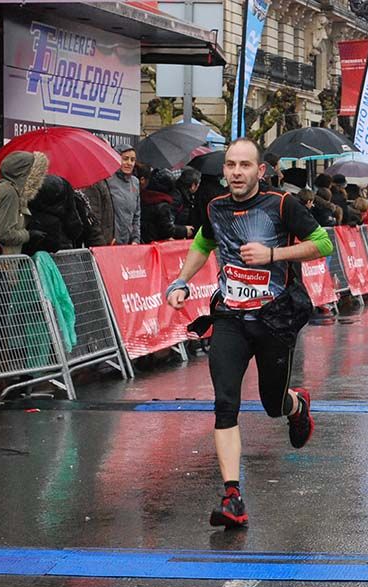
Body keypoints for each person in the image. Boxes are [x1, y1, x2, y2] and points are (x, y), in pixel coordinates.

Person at [165, 137, 333, 529]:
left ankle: (297, 406)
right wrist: (181, 281)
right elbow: (204, 242)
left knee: (272, 403)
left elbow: (323, 243)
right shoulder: (215, 207)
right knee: (226, 403)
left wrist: (273, 255)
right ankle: (232, 496)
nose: (236, 172)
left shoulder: (281, 205)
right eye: (230, 165)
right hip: (230, 317)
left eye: (244, 165)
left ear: (260, 171)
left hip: (274, 318)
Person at [0, 150, 49, 255]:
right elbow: (4, 233)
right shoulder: (11, 193)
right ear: (27, 174)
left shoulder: (0, 188)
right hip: (2, 261)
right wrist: (28, 235)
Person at [25, 175, 84, 254]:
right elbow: (75, 230)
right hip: (64, 253)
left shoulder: (33, 205)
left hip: (37, 255)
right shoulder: (66, 202)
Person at [141, 169, 192, 243]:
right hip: (156, 243)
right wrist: (184, 230)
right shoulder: (163, 205)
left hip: (143, 241)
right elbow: (167, 230)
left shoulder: (143, 197)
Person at [108, 144, 141, 244]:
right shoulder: (107, 180)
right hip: (110, 243)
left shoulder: (135, 182)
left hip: (129, 243)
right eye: (125, 159)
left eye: (132, 160)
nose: (129, 163)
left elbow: (136, 215)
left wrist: (136, 239)